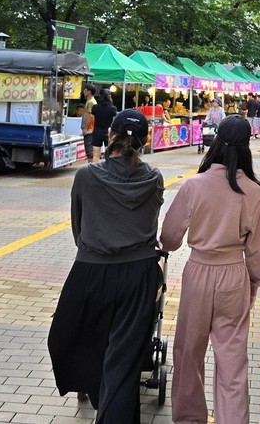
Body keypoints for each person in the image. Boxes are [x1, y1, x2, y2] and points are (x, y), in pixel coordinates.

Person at [48, 109, 164, 423]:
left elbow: (78, 227)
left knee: (72, 337)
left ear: (109, 135)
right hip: (140, 274)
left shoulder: (87, 176)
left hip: (91, 271)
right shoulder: (153, 178)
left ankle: (103, 403)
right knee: (124, 358)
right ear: (145, 140)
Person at [160, 115, 260, 424]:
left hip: (198, 272)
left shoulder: (194, 184)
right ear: (248, 146)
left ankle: (189, 418)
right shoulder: (255, 192)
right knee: (232, 360)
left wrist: (167, 248)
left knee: (187, 351)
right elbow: (257, 251)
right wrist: (252, 287)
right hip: (235, 275)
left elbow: (169, 238)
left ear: (215, 141)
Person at [87, 91, 118, 163]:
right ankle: (109, 169)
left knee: (96, 155)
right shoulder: (113, 108)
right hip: (108, 131)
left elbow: (93, 119)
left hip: (97, 131)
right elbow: (114, 120)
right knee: (110, 154)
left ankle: (95, 170)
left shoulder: (95, 107)